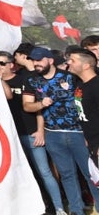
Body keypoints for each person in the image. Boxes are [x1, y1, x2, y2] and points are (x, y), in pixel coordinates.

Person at [23, 46, 99, 215]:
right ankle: (76, 210)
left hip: (79, 133)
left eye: (39, 59)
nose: (36, 63)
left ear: (50, 60)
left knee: (91, 175)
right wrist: (41, 106)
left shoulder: (72, 77)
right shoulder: (31, 80)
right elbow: (28, 106)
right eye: (33, 60)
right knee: (66, 175)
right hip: (53, 135)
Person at [0, 49, 62, 213]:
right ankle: (40, 206)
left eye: (2, 63)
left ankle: (58, 207)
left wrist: (40, 130)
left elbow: (38, 107)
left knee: (44, 172)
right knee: (25, 175)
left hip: (31, 133)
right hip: (11, 137)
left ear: (11, 64)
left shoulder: (25, 79)